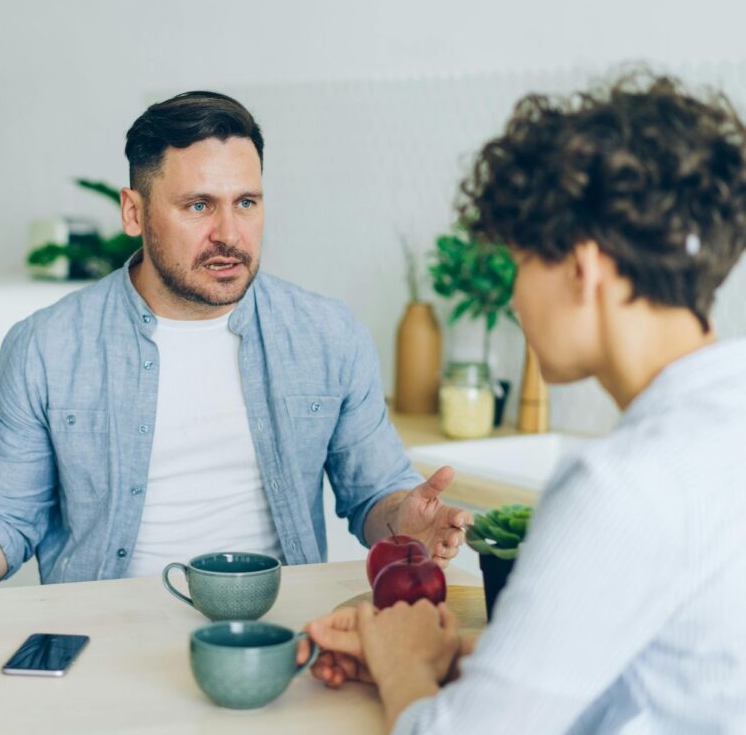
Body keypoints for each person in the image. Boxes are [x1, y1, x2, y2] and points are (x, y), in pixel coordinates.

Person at [0, 91, 469, 598]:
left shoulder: (327, 336)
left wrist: (405, 518)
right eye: (198, 206)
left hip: (275, 634)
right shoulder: (48, 348)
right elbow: (0, 524)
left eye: (247, 202)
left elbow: (375, 496)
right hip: (103, 633)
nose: (229, 234)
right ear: (134, 212)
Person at [301, 73, 746, 733]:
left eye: (518, 263)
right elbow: (657, 670)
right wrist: (447, 660)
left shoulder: (623, 486)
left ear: (582, 269)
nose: (512, 298)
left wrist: (404, 666)